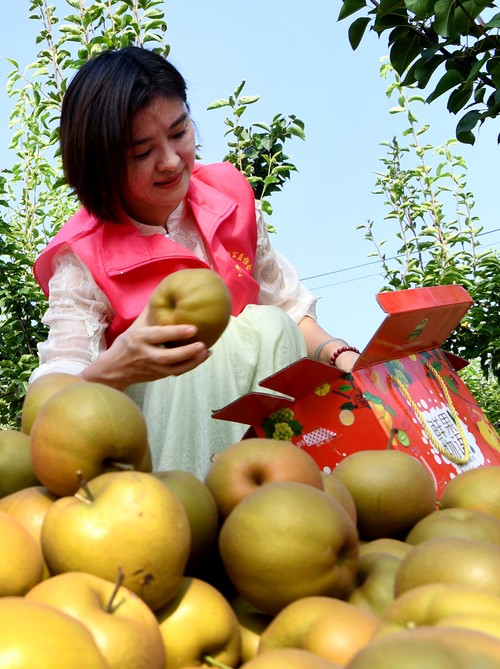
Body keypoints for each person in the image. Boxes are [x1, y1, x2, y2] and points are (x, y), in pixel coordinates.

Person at [31, 47, 360, 478]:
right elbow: (52, 402)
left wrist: (342, 355)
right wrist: (123, 359)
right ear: (100, 162)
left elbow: (288, 311)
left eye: (179, 132)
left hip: (261, 459)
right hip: (151, 463)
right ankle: (190, 514)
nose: (169, 161)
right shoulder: (82, 260)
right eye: (140, 152)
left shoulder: (230, 200)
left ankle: (285, 489)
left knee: (267, 324)